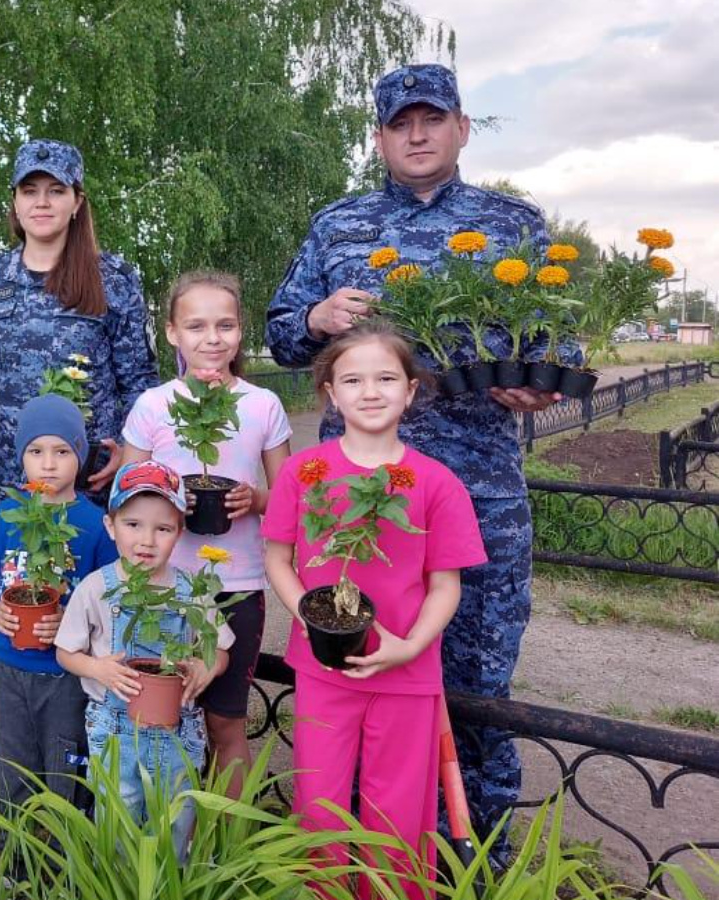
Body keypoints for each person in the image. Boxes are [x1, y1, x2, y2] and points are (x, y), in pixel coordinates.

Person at [264, 63, 567, 853]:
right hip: (356, 510)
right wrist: (316, 314)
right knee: (357, 672)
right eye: (402, 124)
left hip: (479, 493)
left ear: (463, 127)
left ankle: (478, 853)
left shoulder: (514, 223)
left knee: (476, 683)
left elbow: (557, 335)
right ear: (380, 138)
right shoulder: (340, 225)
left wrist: (542, 378)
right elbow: (282, 333)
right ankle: (367, 850)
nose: (419, 134)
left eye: (433, 119)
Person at [262, 322, 486, 895]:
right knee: (320, 801)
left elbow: (445, 585)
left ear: (410, 391)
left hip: (407, 670)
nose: (370, 391)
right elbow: (279, 559)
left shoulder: (436, 484)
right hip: (324, 667)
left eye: (386, 378)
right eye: (353, 379)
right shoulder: (304, 474)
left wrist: (410, 645)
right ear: (331, 393)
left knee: (400, 807)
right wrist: (312, 617)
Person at [119, 271, 292, 796]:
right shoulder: (154, 405)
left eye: (225, 325)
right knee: (158, 715)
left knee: (225, 723)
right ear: (172, 333)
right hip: (162, 585)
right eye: (196, 326)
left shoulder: (262, 405)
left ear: (241, 332)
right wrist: (170, 495)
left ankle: (227, 846)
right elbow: (125, 492)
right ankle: (164, 835)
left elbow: (289, 498)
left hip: (237, 585)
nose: (211, 338)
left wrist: (256, 499)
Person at [0, 139, 157, 513]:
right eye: (29, 190)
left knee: (89, 570)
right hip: (7, 477)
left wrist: (130, 454)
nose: (42, 202)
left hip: (89, 476)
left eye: (56, 190)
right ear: (15, 201)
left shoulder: (113, 280)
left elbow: (139, 382)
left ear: (77, 202)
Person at [55, 460, 233, 863]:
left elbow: (220, 647)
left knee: (175, 825)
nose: (146, 540)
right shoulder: (96, 587)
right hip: (114, 731)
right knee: (115, 824)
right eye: (133, 524)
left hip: (177, 732)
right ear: (110, 526)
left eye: (163, 528)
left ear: (180, 534)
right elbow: (66, 651)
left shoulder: (191, 589)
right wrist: (97, 668)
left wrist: (210, 664)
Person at [0, 394, 119, 814]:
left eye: (62, 451)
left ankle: (65, 869)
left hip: (65, 675)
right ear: (22, 457)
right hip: (6, 668)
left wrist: (70, 625)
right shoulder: (6, 514)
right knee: (10, 768)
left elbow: (110, 597)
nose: (48, 464)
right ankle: (13, 867)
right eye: (36, 451)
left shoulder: (94, 524)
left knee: (66, 772)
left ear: (81, 456)